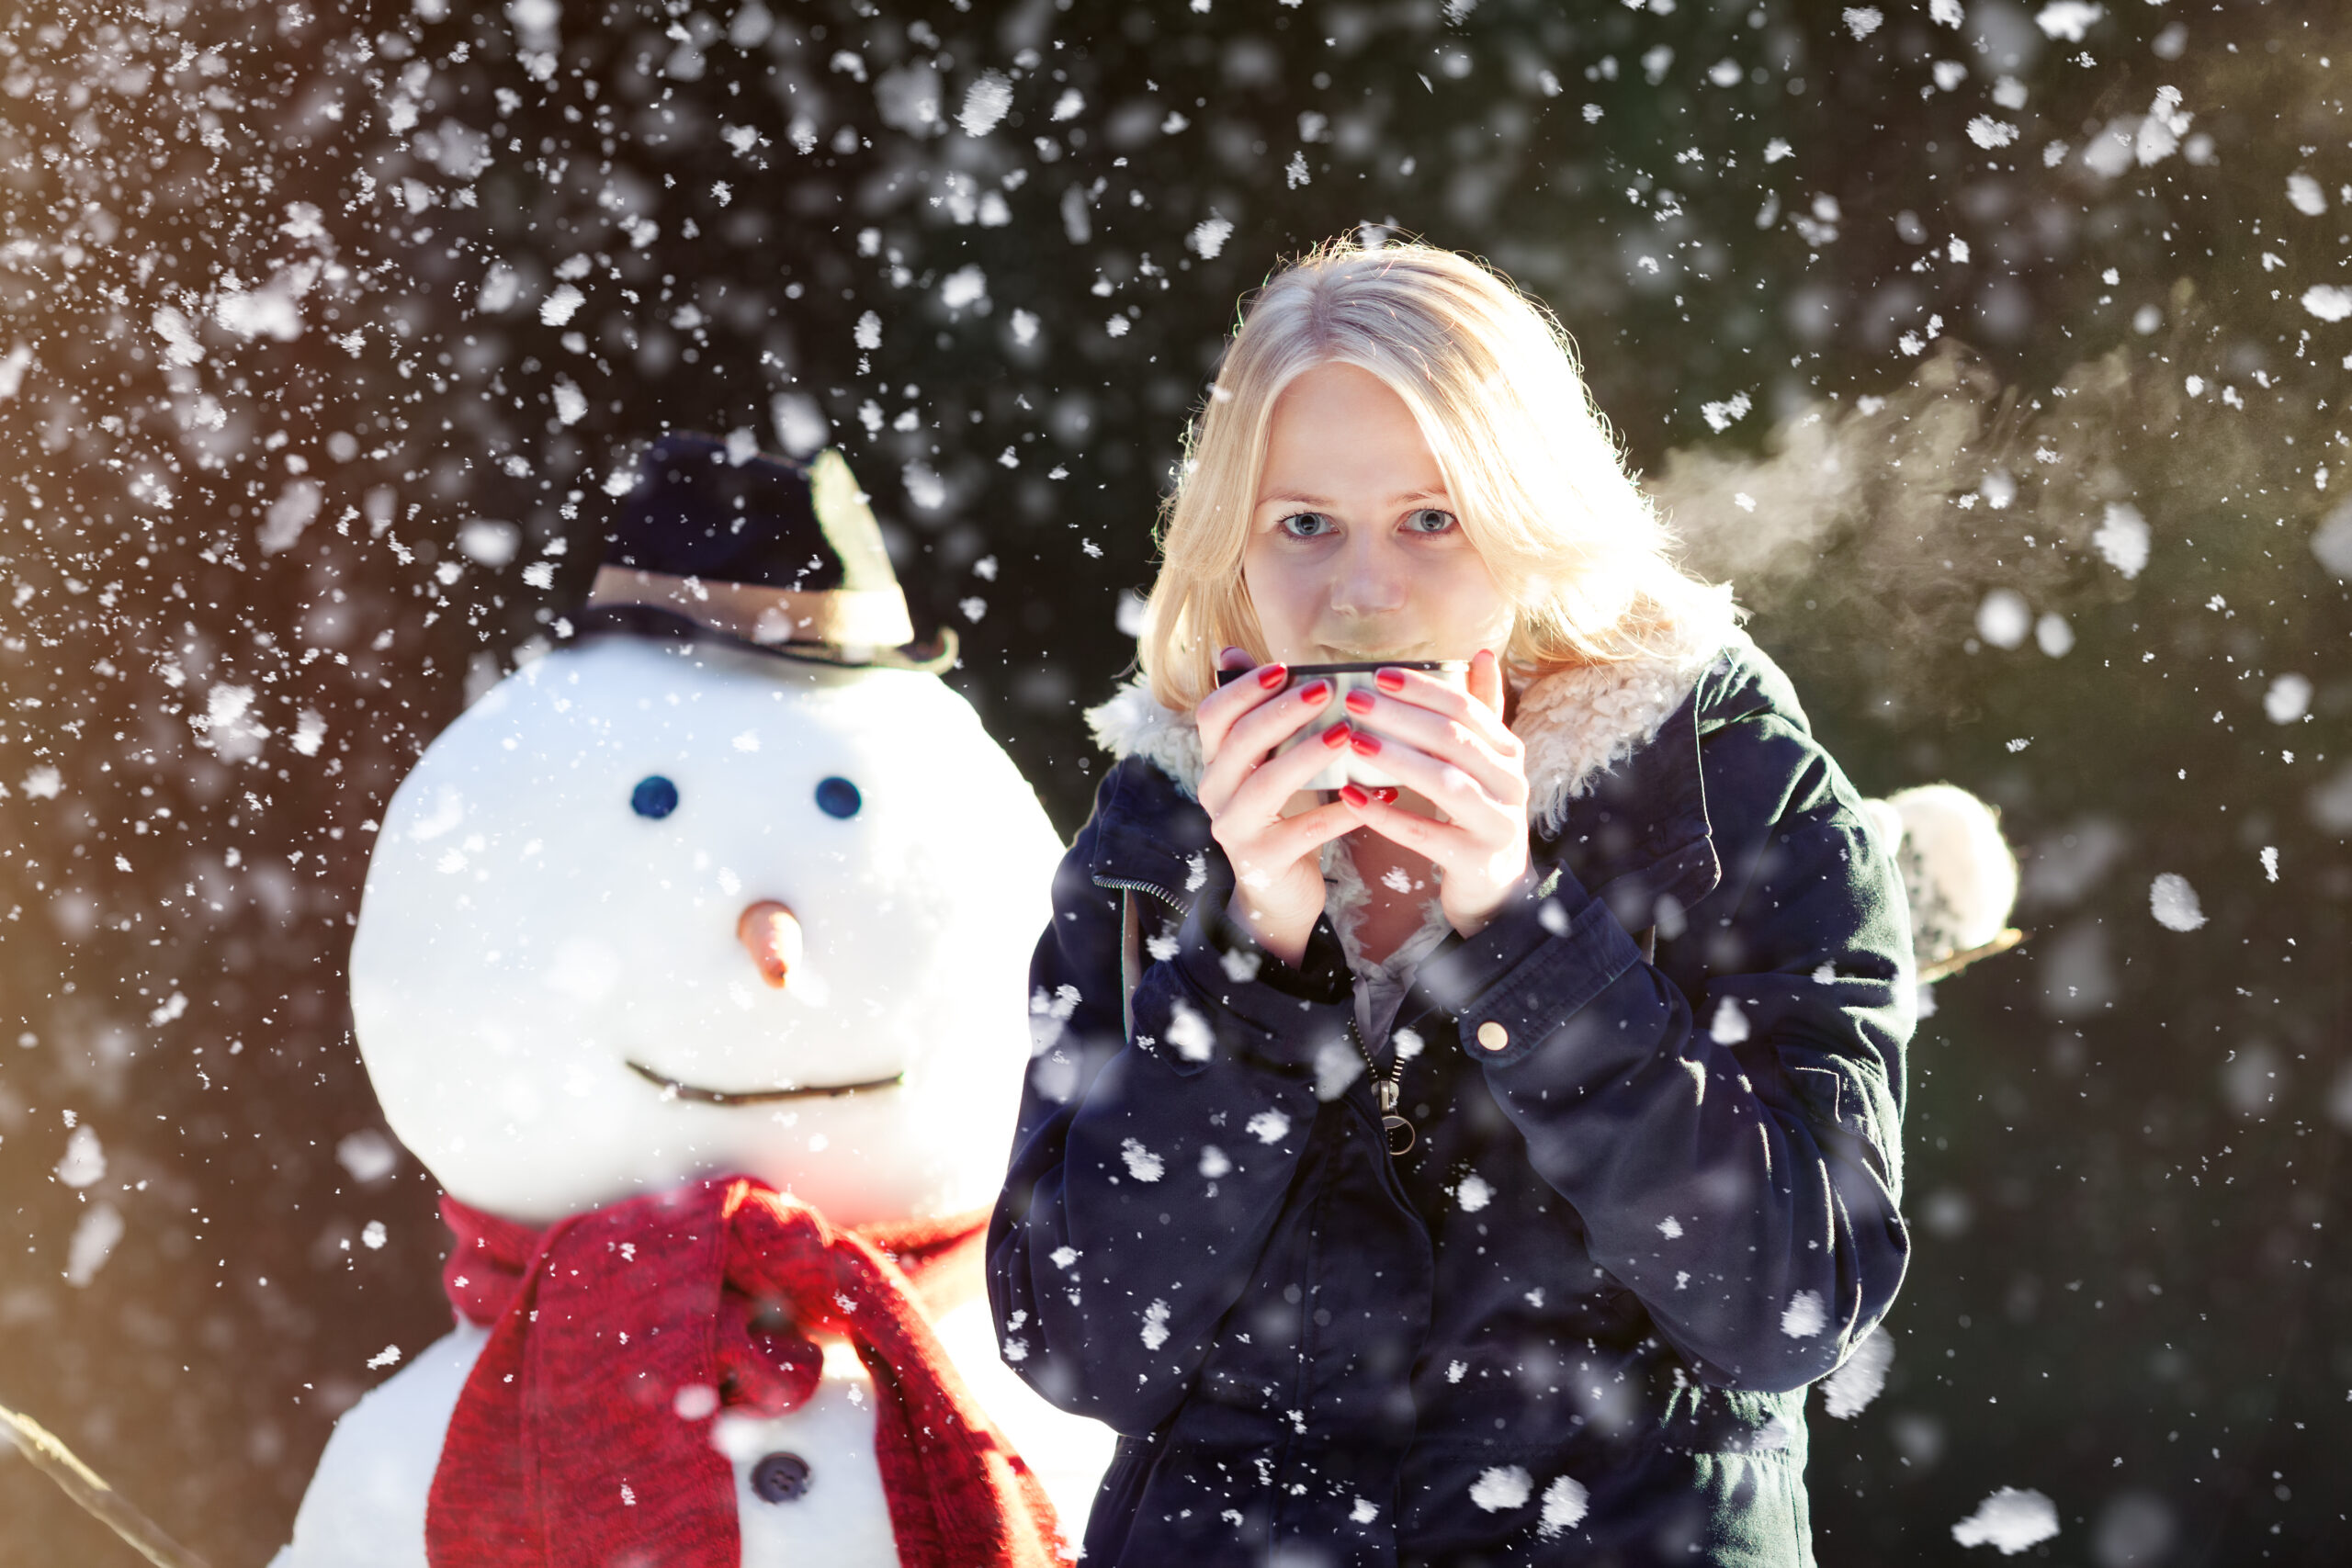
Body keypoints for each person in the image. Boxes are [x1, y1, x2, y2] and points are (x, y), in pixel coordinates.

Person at [987, 238, 1912, 1567]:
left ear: (1530, 527)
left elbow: (1793, 1298)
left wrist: (1522, 929)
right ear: (1231, 554)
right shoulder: (1157, 832)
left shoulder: (1728, 791)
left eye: (1434, 520)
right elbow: (1077, 1346)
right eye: (1305, 525)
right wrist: (1252, 954)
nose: (1366, 594)